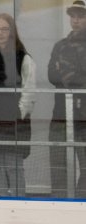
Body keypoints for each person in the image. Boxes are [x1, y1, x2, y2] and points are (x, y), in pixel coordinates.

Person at [0, 13, 35, 197]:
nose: (0, 33)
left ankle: (18, 203)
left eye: (4, 29)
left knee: (13, 166)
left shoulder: (23, 58)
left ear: (12, 32)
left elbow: (29, 90)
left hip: (14, 121)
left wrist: (19, 112)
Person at [47, 0, 86, 197]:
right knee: (58, 166)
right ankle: (59, 206)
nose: (76, 20)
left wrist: (66, 72)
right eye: (73, 16)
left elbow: (60, 75)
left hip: (84, 118)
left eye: (80, 16)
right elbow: (51, 76)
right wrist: (76, 76)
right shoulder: (60, 45)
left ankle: (80, 204)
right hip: (61, 115)